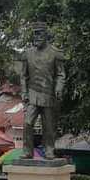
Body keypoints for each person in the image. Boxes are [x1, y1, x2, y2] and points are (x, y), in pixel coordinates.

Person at [19, 22, 67, 158]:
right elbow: (23, 75)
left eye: (40, 33)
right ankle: (27, 150)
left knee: (49, 125)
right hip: (32, 93)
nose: (37, 36)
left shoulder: (55, 53)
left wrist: (59, 88)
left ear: (46, 34)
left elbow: (61, 73)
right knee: (28, 122)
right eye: (35, 33)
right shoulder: (27, 54)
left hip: (48, 94)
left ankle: (49, 149)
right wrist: (24, 92)